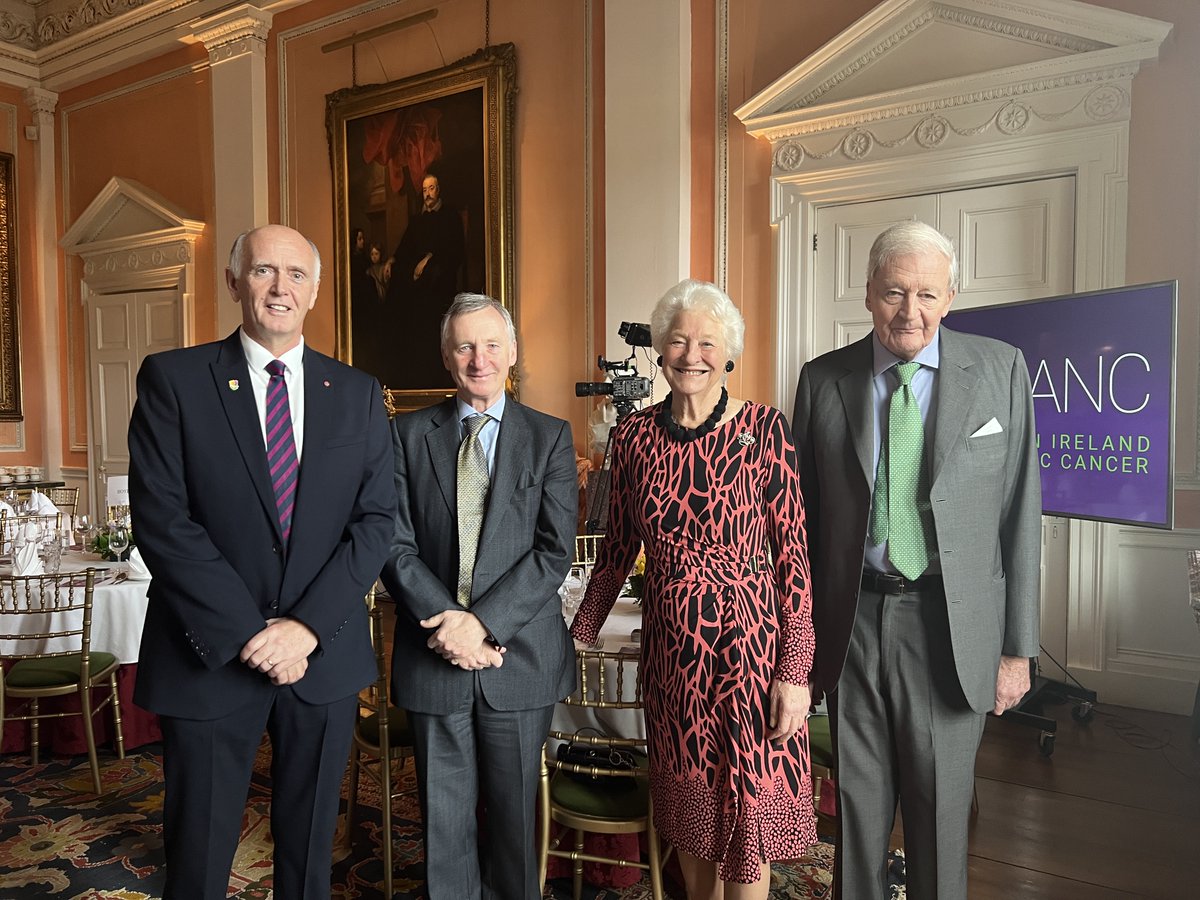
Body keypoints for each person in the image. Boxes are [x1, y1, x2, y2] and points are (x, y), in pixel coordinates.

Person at [128, 224, 396, 899]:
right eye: (263, 272)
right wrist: (252, 634)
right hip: (209, 654)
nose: (280, 288)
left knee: (310, 853)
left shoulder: (358, 393)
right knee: (199, 849)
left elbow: (375, 524)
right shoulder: (175, 380)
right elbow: (163, 521)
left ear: (314, 292)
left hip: (321, 656)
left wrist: (303, 628)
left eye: (296, 275)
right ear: (233, 282)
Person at [791, 221, 1041, 900]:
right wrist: (798, 641)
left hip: (951, 627)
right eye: (895, 292)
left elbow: (1021, 515)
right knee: (857, 824)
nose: (911, 311)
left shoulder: (1000, 370)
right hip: (854, 625)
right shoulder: (822, 381)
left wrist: (1018, 652)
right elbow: (800, 529)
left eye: (928, 294)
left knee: (939, 820)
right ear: (868, 293)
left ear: (951, 296)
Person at [570, 279, 817, 899]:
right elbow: (617, 553)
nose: (692, 354)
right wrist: (577, 634)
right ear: (659, 350)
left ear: (728, 352)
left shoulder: (765, 431)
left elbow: (793, 559)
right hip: (674, 659)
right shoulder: (633, 439)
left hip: (752, 654)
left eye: (707, 342)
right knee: (692, 822)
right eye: (678, 341)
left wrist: (795, 670)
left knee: (748, 823)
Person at [379, 292, 577, 900]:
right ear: (446, 355)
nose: (479, 358)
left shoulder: (549, 437)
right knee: (442, 825)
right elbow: (393, 545)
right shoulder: (406, 435)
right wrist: (449, 626)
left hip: (517, 660)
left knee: (517, 826)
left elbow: (552, 551)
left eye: (492, 344)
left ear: (512, 352)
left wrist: (481, 627)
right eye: (465, 345)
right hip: (432, 653)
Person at [384, 172, 465, 386]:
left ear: (439, 190)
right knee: (401, 279)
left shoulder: (449, 215)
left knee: (432, 277)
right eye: (425, 189)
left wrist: (429, 259)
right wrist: (392, 260)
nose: (428, 193)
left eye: (432, 188)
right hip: (419, 276)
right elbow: (406, 246)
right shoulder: (418, 219)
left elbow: (453, 250)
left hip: (441, 272)